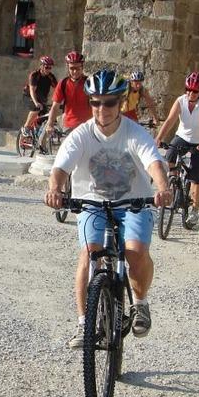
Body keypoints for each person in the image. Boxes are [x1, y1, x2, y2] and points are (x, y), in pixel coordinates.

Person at [44, 69, 171, 349]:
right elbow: (60, 167)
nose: (102, 109)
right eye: (95, 102)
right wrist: (55, 189)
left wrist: (162, 187)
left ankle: (140, 303)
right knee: (89, 257)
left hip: (133, 203)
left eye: (109, 102)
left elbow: (153, 162)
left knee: (135, 252)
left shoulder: (134, 133)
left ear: (121, 103)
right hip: (92, 205)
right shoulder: (81, 135)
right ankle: (83, 325)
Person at [154, 71, 199, 227]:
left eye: (195, 91)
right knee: (170, 156)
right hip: (183, 137)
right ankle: (175, 185)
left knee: (195, 176)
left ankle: (194, 210)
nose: (191, 93)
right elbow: (170, 120)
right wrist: (159, 138)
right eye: (188, 90)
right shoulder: (180, 101)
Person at [44, 51, 89, 137]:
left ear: (82, 67)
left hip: (87, 126)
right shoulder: (63, 84)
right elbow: (55, 106)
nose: (75, 71)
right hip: (70, 126)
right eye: (72, 68)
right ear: (67, 68)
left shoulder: (89, 83)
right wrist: (50, 124)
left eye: (78, 68)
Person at [19, 56, 57, 138]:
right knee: (36, 108)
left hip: (42, 99)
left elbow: (57, 89)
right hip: (29, 96)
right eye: (46, 67)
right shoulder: (35, 75)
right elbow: (32, 91)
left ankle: (39, 142)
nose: (48, 70)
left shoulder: (51, 77)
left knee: (46, 117)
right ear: (41, 66)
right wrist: (36, 103)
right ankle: (26, 127)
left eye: (50, 68)